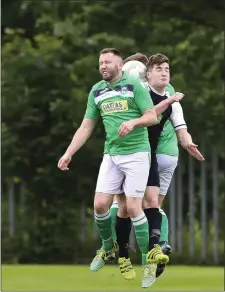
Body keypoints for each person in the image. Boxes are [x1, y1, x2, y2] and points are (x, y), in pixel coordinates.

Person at [57, 48, 168, 288]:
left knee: (133, 207)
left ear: (120, 66)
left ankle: (148, 260)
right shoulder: (96, 90)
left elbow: (151, 117)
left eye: (107, 62)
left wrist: (133, 122)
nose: (103, 66)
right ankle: (109, 247)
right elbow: (86, 127)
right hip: (112, 155)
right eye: (100, 63)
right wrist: (68, 153)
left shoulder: (134, 86)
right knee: (99, 205)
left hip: (137, 154)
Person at [109, 53, 204, 286]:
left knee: (135, 205)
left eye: (166, 69)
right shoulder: (158, 94)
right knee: (145, 206)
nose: (163, 72)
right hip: (154, 155)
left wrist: (187, 142)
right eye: (158, 68)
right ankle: (147, 248)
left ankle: (143, 253)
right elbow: (167, 121)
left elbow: (176, 127)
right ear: (147, 72)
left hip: (148, 155)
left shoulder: (158, 96)